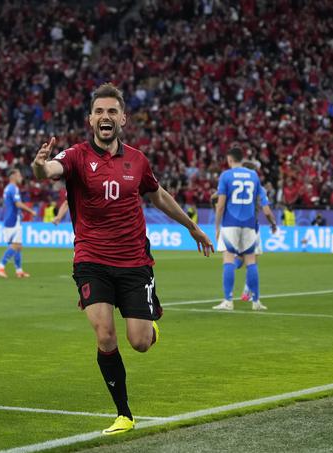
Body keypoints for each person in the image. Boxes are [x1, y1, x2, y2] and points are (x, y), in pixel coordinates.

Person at [31, 83, 213, 436]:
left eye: (112, 111)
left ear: (123, 118)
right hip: (91, 259)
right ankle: (124, 414)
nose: (105, 117)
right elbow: (49, 171)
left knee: (140, 342)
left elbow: (158, 196)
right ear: (89, 119)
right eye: (99, 111)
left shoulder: (137, 160)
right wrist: (39, 167)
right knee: (104, 335)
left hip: (133, 262)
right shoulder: (76, 157)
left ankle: (150, 325)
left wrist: (192, 227)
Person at [213, 149, 277, 312]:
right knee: (251, 261)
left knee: (228, 259)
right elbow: (265, 208)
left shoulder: (226, 175)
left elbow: (220, 205)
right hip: (250, 224)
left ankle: (228, 301)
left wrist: (217, 226)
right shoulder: (254, 177)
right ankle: (256, 302)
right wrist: (273, 224)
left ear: (229, 159)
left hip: (230, 222)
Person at [0, 169, 37, 279]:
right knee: (16, 245)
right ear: (13, 176)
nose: (21, 177)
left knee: (18, 246)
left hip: (9, 218)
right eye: (19, 175)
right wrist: (31, 211)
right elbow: (18, 203)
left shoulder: (8, 188)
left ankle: (19, 271)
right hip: (13, 220)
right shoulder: (13, 188)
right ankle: (0, 266)